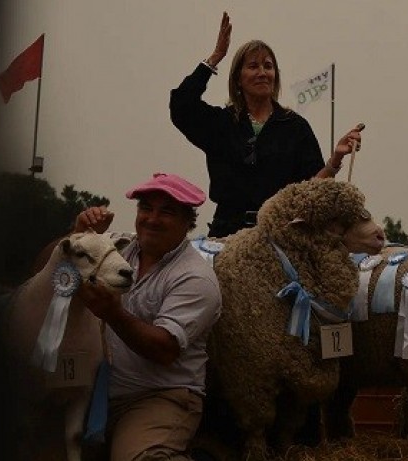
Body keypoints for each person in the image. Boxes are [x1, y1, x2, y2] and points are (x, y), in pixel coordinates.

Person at [170, 11, 364, 237]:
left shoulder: (294, 127)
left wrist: (335, 159)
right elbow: (181, 106)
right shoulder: (221, 123)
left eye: (268, 66)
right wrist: (215, 57)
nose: (262, 73)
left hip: (279, 236)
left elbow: (310, 189)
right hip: (228, 236)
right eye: (253, 66)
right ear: (238, 79)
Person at [75, 172, 222, 461]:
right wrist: (77, 235)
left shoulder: (195, 277)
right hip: (98, 391)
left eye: (166, 212)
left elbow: (165, 349)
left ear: (186, 222)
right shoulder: (117, 247)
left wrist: (113, 313)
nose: (152, 219)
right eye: (146, 208)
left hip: (160, 396)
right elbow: (43, 268)